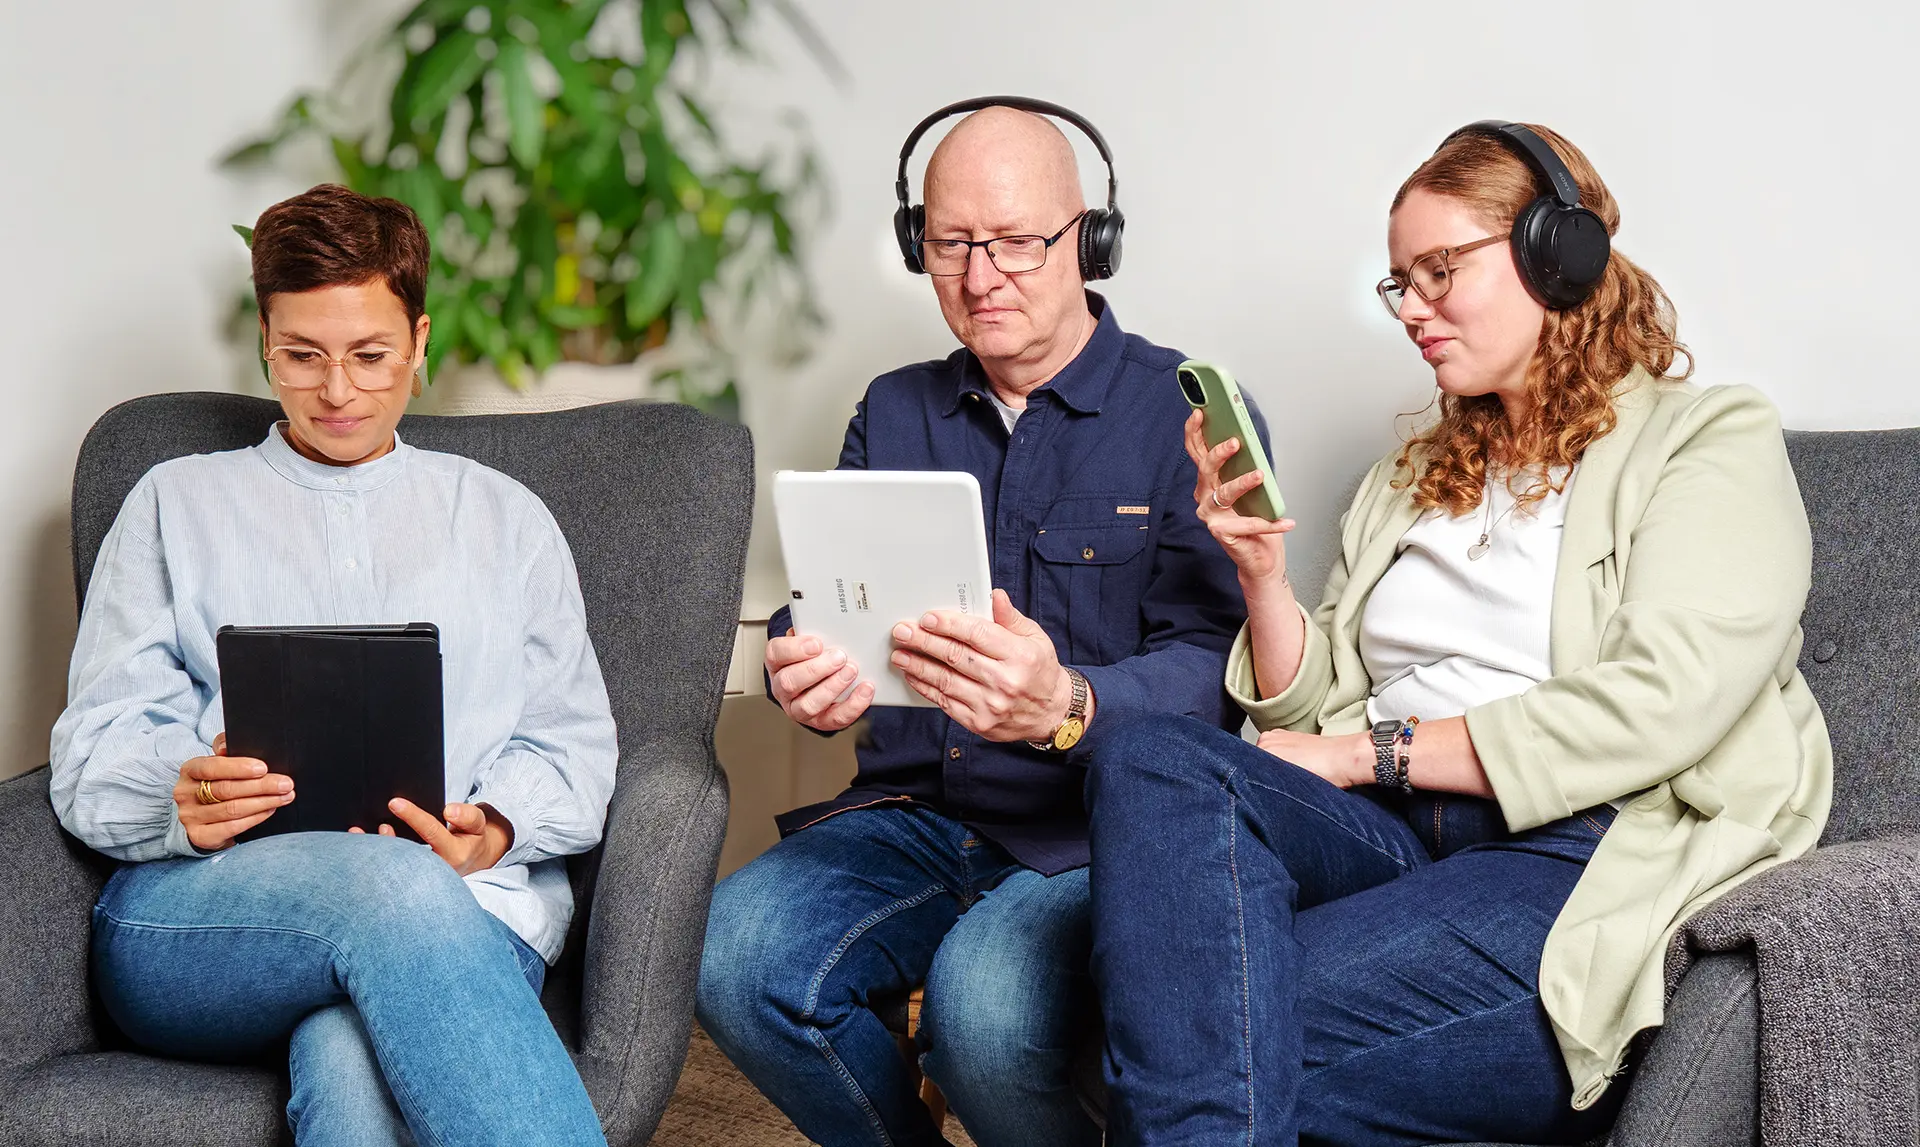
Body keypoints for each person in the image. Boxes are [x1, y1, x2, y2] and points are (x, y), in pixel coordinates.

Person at [1084, 121, 1832, 1145]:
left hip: (1571, 851)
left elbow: (1660, 699)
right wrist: (1258, 570)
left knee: (1192, 1018)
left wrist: (1365, 753)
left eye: (1441, 269)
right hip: (1390, 836)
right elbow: (1313, 702)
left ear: (1554, 253)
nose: (1412, 310)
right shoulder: (1409, 480)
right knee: (1153, 760)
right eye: (1400, 282)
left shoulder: (1706, 442)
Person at [696, 99, 1255, 1147]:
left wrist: (1070, 703)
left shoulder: (1185, 410)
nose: (980, 275)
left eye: (1016, 242)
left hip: (1090, 831)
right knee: (732, 959)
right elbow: (826, 600)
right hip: (908, 809)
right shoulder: (895, 406)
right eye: (950, 243)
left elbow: (1220, 673)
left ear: (1089, 241)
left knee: (985, 1020)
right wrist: (794, 664)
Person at [49, 185, 616, 1147]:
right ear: (265, 339)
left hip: (462, 909)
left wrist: (492, 831)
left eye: (369, 355)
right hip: (203, 921)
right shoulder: (172, 503)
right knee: (390, 886)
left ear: (420, 342)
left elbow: (572, 749)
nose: (338, 391)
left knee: (353, 1061)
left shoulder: (504, 517)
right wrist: (174, 794)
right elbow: (90, 753)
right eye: (303, 355)